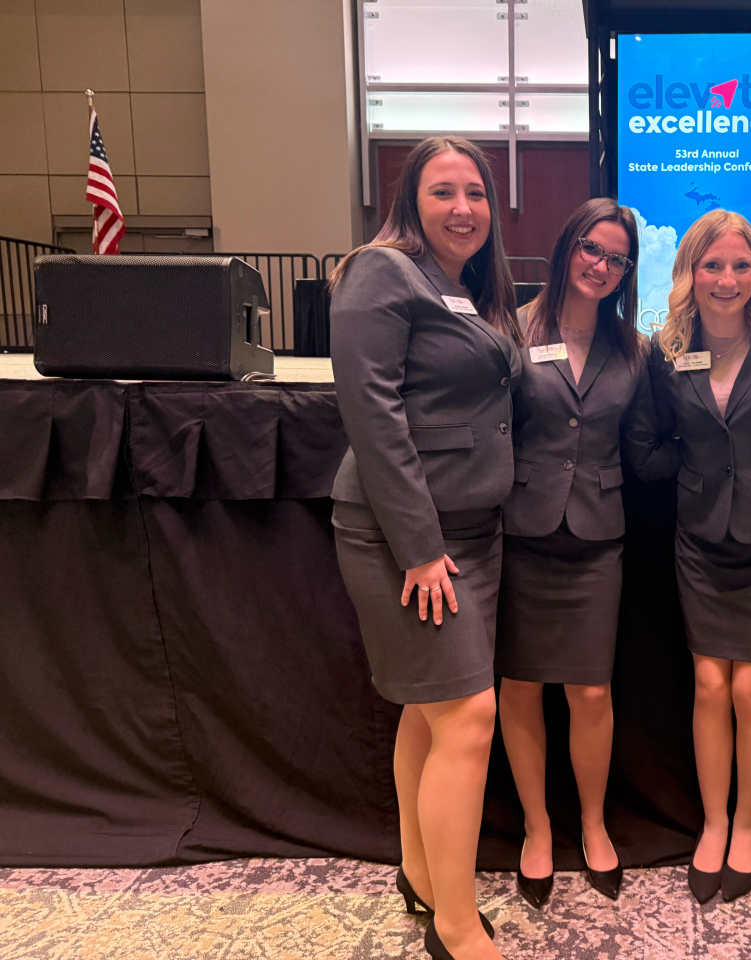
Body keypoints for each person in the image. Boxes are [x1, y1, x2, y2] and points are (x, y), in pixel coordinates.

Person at [328, 136, 521, 960]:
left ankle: (419, 873)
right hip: (406, 536)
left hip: (473, 534)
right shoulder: (381, 271)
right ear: (410, 199)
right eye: (443, 191)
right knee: (469, 717)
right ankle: (455, 924)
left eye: (475, 192)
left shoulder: (464, 288)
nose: (463, 208)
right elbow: (372, 414)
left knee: (429, 709)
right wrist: (417, 547)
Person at [639, 209, 751, 905]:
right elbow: (649, 442)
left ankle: (749, 822)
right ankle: (714, 823)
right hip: (701, 537)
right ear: (690, 272)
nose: (727, 278)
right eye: (712, 265)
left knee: (750, 691)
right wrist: (695, 471)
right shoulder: (667, 352)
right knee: (710, 687)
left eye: (742, 265)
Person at [495, 198, 657, 908]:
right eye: (592, 248)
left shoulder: (635, 349)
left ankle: (593, 824)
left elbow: (645, 441)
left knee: (591, 692)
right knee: (521, 687)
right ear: (567, 247)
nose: (602, 265)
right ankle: (537, 829)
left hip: (597, 537)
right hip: (520, 532)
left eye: (618, 258)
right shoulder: (510, 328)